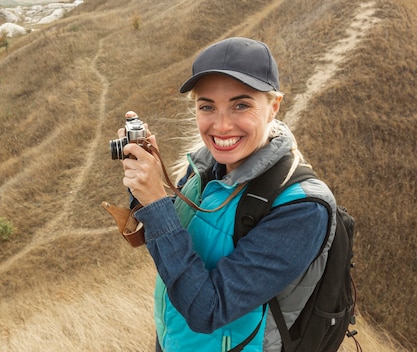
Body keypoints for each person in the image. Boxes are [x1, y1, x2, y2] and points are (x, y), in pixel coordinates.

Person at [118, 37, 337, 351]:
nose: (221, 126)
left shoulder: (302, 208)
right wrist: (144, 182)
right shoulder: (204, 167)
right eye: (207, 106)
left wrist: (155, 202)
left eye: (241, 105)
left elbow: (207, 310)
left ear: (274, 106)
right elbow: (175, 245)